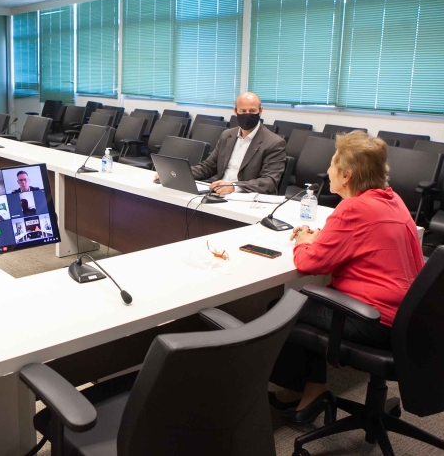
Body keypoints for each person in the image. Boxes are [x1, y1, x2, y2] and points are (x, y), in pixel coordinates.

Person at [269, 131, 424, 423]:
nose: (328, 171)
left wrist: (304, 239)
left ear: (347, 175)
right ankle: (305, 389)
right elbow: (361, 242)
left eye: (332, 164)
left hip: (375, 319)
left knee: (284, 308)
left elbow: (309, 263)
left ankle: (310, 390)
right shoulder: (391, 200)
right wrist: (323, 237)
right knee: (301, 304)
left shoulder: (353, 208)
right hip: (407, 316)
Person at [153, 92, 285, 194]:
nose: (247, 115)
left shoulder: (274, 143)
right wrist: (174, 172)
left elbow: (269, 182)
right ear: (235, 111)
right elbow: (208, 167)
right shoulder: (227, 135)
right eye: (243, 111)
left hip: (246, 198)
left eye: (252, 111)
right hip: (219, 194)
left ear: (260, 111)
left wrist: (233, 187)